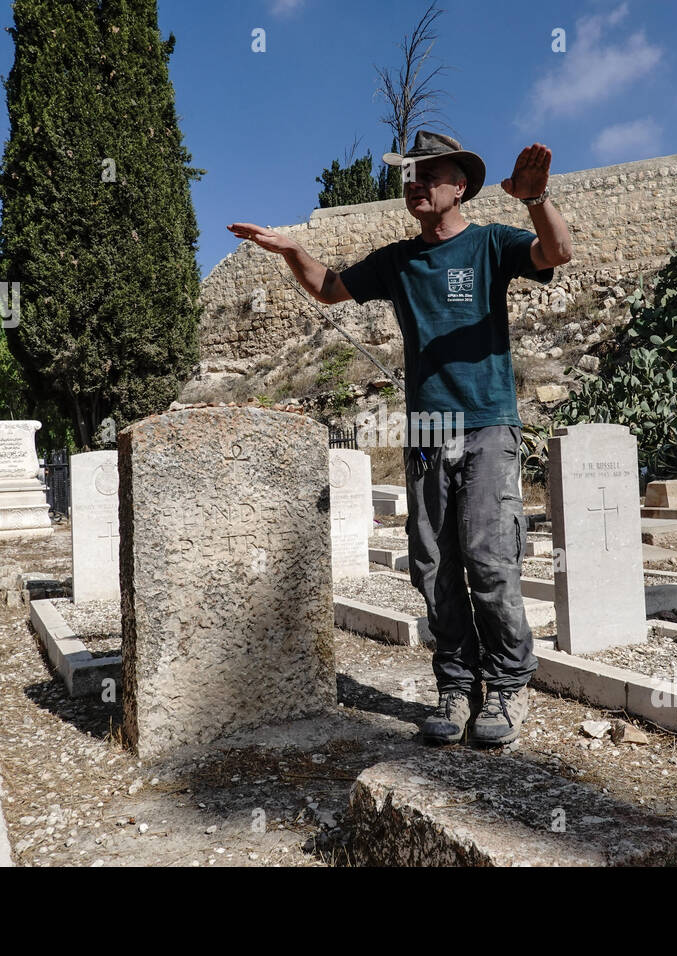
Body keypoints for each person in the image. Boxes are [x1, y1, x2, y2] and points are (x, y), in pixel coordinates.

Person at [228, 131, 573, 746]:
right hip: (426, 430)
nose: (415, 184)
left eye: (429, 174)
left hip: (488, 423)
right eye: (409, 175)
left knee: (490, 559)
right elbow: (330, 288)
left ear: (459, 185)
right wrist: (290, 250)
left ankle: (510, 685)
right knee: (434, 565)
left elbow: (557, 253)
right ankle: (456, 685)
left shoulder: (493, 243)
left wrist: (535, 198)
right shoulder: (397, 260)